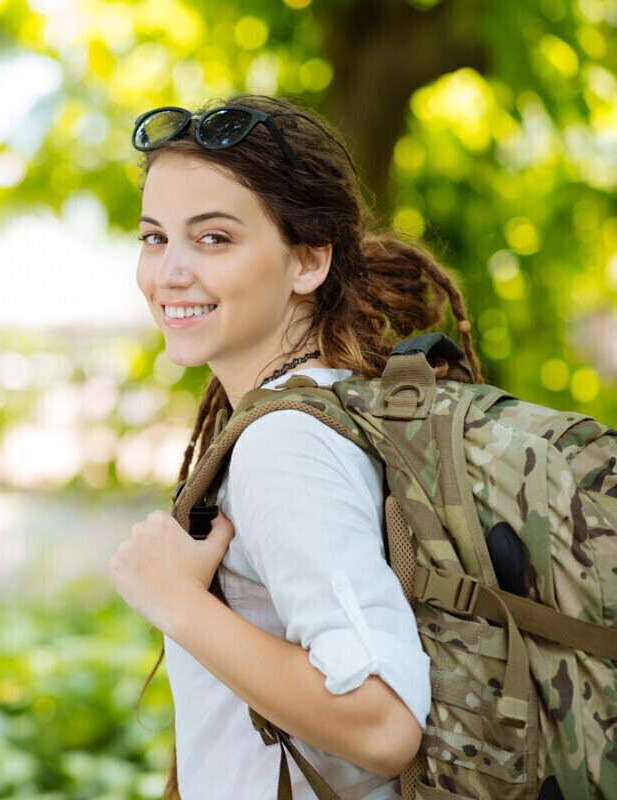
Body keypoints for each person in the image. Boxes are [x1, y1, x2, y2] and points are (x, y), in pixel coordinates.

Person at [107, 95, 481, 799]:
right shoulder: (334, 399)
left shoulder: (285, 444)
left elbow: (384, 722)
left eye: (213, 238)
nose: (169, 272)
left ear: (309, 261)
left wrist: (174, 601)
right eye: (154, 237)